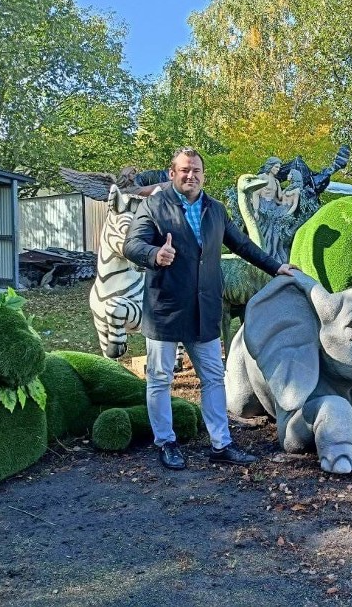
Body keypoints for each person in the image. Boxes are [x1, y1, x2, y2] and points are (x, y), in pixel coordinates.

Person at [124, 146, 296, 470]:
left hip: (203, 309)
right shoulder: (154, 206)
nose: (191, 176)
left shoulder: (215, 210)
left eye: (196, 171)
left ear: (203, 175)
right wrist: (153, 255)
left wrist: (276, 268)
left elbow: (241, 245)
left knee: (214, 377)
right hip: (166, 308)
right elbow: (131, 244)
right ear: (172, 173)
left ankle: (221, 443)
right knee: (161, 378)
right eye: (184, 170)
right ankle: (166, 442)